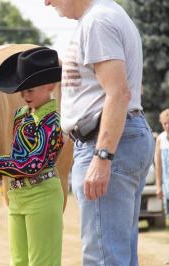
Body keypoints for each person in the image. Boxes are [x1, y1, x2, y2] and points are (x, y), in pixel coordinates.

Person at [44, 0, 155, 265]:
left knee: (104, 257)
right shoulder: (105, 15)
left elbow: (118, 93)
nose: (46, 2)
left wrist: (103, 156)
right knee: (118, 254)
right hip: (121, 137)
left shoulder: (97, 22)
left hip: (106, 142)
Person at [0, 47, 65, 266]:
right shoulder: (20, 116)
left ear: (49, 86)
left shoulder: (54, 121)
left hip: (42, 196)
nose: (24, 96)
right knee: (19, 262)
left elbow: (33, 163)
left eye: (30, 90)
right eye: (22, 91)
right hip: (17, 197)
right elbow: (18, 155)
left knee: (42, 262)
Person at [155, 109, 169, 216]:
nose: (167, 126)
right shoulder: (160, 139)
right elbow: (158, 165)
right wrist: (158, 186)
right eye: (165, 123)